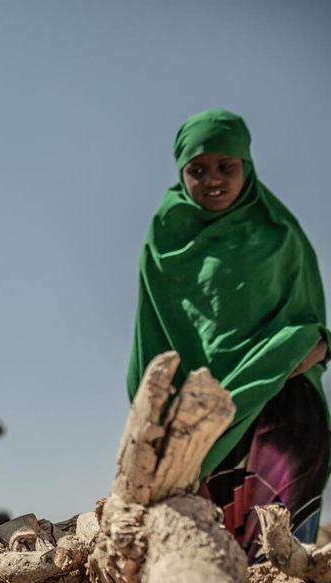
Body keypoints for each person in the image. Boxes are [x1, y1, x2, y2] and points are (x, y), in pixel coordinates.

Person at [129, 109, 330, 558]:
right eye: (197, 170)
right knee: (206, 559)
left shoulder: (278, 233)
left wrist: (315, 347)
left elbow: (311, 319)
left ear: (247, 165)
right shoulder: (165, 237)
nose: (213, 179)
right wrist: (154, 416)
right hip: (202, 426)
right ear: (181, 173)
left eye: (227, 166)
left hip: (282, 411)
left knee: (281, 569)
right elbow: (152, 333)